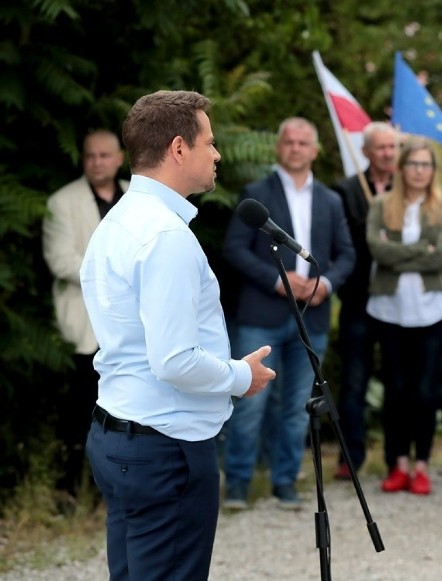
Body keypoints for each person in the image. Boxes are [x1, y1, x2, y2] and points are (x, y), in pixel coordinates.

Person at [81, 90, 276, 580]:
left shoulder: (119, 219)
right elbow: (173, 360)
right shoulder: (165, 236)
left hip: (122, 432)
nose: (218, 154)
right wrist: (239, 376)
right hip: (163, 447)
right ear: (178, 148)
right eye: (209, 142)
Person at [222, 117, 355, 509]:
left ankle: (284, 484)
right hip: (261, 314)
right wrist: (278, 281)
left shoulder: (331, 200)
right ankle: (238, 486)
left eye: (303, 142)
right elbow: (234, 249)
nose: (296, 148)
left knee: (299, 407)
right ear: (279, 148)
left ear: (314, 150)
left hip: (311, 317)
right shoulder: (255, 193)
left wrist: (324, 284)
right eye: (289, 142)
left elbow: (347, 254)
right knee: (250, 405)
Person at [366, 137, 442, 496]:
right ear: (402, 168)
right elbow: (378, 250)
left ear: (432, 171)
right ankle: (397, 463)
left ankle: (422, 465)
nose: (419, 171)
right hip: (390, 309)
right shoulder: (381, 205)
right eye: (414, 164)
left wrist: (399, 251)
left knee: (425, 390)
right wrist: (422, 249)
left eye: (426, 165)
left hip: (431, 310)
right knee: (396, 389)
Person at [42, 129, 128, 496]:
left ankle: (110, 492)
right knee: (79, 415)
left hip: (129, 327)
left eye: (104, 155)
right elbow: (61, 261)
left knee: (125, 415)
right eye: (90, 155)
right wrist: (116, 277)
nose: (97, 162)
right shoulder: (63, 201)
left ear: (120, 158)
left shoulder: (134, 197)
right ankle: (69, 494)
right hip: (85, 328)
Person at [331, 121, 398, 480]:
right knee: (354, 383)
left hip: (398, 301)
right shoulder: (346, 190)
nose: (388, 154)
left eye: (393, 147)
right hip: (358, 300)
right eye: (381, 148)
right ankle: (351, 458)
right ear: (367, 152)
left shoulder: (409, 188)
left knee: (396, 381)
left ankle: (394, 460)